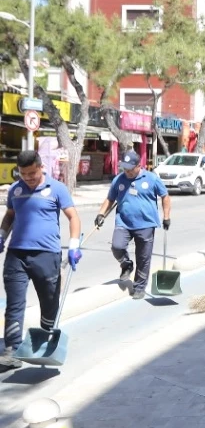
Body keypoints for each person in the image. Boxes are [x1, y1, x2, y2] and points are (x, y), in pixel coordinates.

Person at [0, 151, 82, 371]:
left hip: (47, 254)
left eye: (32, 173)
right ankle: (12, 350)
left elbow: (73, 217)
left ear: (40, 167)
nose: (27, 178)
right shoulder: (15, 189)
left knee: (49, 301)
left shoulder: (57, 189)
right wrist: (2, 235)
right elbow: (10, 215)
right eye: (23, 173)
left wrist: (74, 245)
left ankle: (45, 337)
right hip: (16, 254)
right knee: (15, 303)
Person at [95, 150, 171, 300]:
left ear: (139, 166)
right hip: (123, 222)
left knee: (143, 257)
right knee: (117, 246)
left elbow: (165, 196)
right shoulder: (119, 180)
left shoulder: (151, 179)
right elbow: (110, 199)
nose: (127, 172)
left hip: (146, 224)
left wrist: (166, 216)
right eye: (125, 168)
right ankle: (126, 264)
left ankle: (139, 287)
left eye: (130, 169)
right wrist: (101, 214)